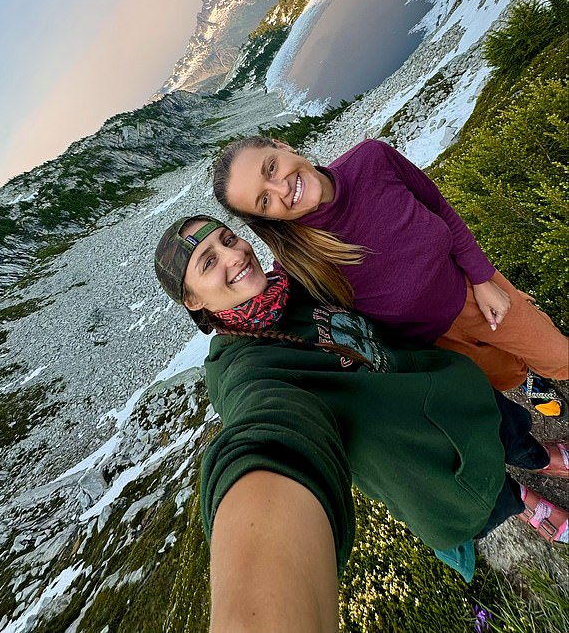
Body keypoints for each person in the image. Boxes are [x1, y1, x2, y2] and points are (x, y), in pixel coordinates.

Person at [154, 215, 569, 633]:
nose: (234, 255)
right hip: (420, 461)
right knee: (484, 496)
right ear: (192, 300)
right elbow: (266, 430)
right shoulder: (244, 369)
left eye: (228, 239)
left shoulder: (293, 282)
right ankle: (524, 503)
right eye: (208, 262)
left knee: (508, 430)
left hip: (446, 388)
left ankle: (542, 458)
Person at [212, 136, 569, 415]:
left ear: (282, 146)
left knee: (559, 356)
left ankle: (534, 369)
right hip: (437, 344)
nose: (281, 189)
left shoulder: (372, 159)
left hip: (474, 290)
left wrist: (481, 276)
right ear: (267, 219)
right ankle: (527, 381)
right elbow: (272, 315)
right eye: (263, 201)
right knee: (504, 374)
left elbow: (438, 206)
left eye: (271, 168)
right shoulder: (298, 262)